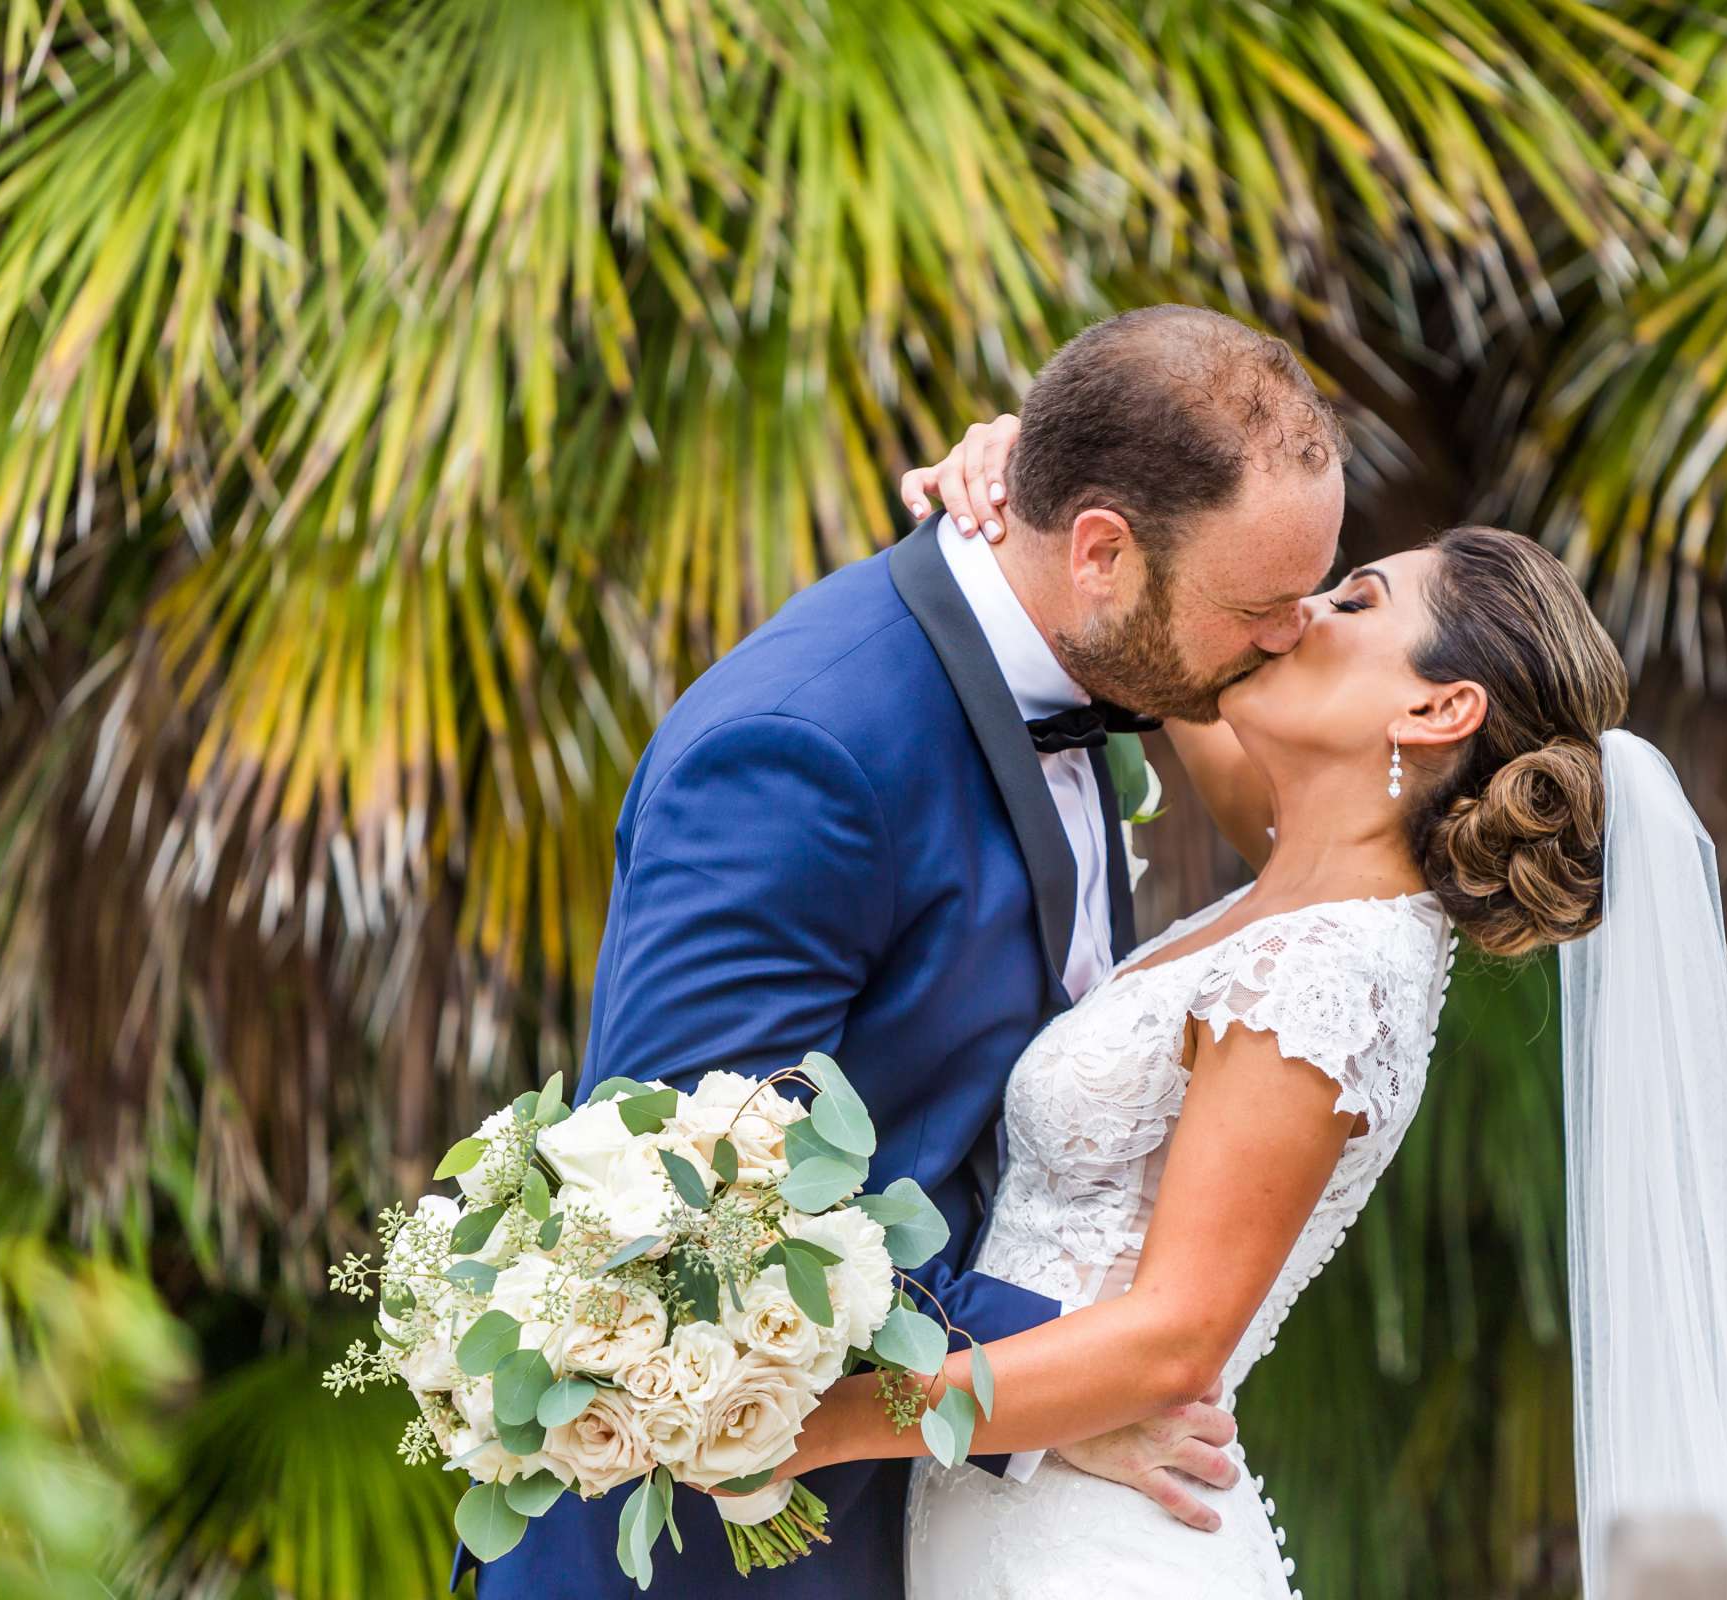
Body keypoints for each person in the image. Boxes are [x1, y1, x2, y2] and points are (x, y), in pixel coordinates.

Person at [770, 415, 1727, 1600]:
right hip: (1024, 1518)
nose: (1296, 615)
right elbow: (1169, 639)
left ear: (1437, 712)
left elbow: (1174, 1338)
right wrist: (1044, 483)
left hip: (1095, 1553)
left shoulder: (1323, 976)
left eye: (1353, 604)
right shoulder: (1311, 875)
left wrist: (818, 1422)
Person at [468, 305, 1344, 1598]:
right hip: (736, 1547)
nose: (1293, 636)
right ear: (1098, 552)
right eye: (1261, 608)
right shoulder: (801, 752)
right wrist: (1041, 1395)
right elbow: (693, 1222)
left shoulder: (1084, 654)